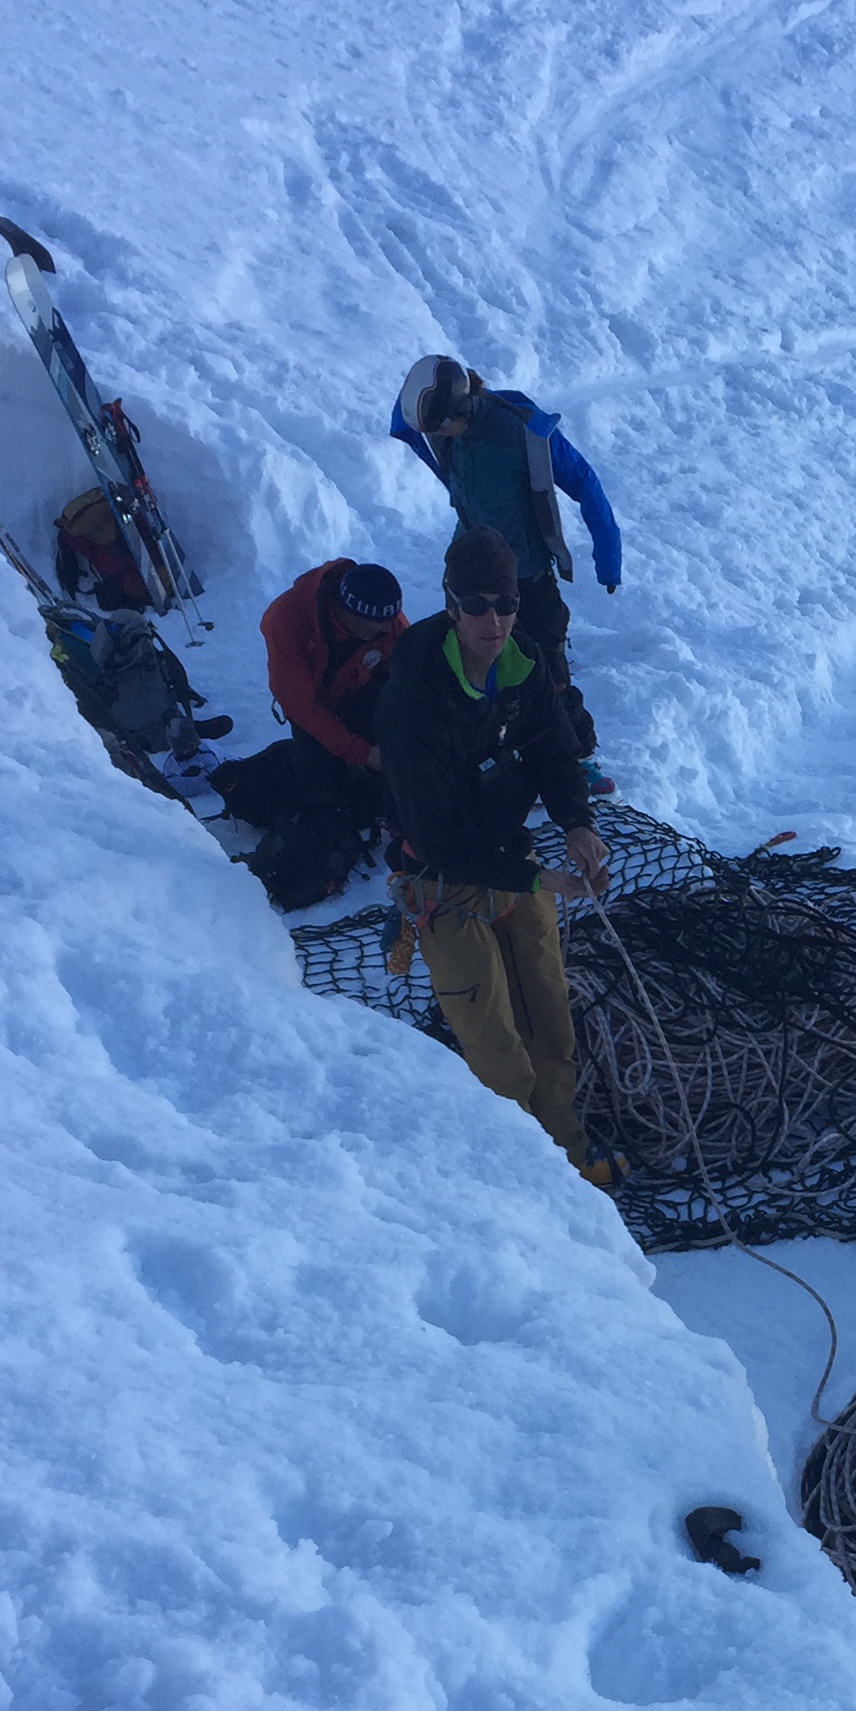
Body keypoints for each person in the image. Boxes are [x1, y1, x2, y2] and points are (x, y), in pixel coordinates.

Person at [378, 527, 620, 1187]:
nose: (494, 621)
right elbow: (434, 835)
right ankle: (527, 1181)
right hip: (441, 880)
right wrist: (539, 878)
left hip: (513, 856)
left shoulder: (525, 663)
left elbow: (554, 752)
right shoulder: (413, 695)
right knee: (497, 1049)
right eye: (477, 605)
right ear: (451, 604)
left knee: (551, 1018)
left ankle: (569, 1147)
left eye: (505, 604)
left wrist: (577, 823)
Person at [392, 355, 622, 785]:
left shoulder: (521, 432)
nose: (435, 437)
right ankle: (486, 751)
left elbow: (585, 482)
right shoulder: (444, 426)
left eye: (440, 426)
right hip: (467, 571)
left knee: (547, 671)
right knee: (472, 664)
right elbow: (409, 413)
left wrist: (608, 556)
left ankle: (576, 758)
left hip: (526, 578)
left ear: (462, 409)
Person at [214, 560, 407, 910]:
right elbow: (303, 709)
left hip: (360, 691)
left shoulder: (385, 620)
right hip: (312, 710)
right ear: (347, 612)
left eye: (389, 621)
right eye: (376, 624)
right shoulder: (286, 620)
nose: (385, 629)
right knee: (328, 797)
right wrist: (364, 754)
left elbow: (412, 669)